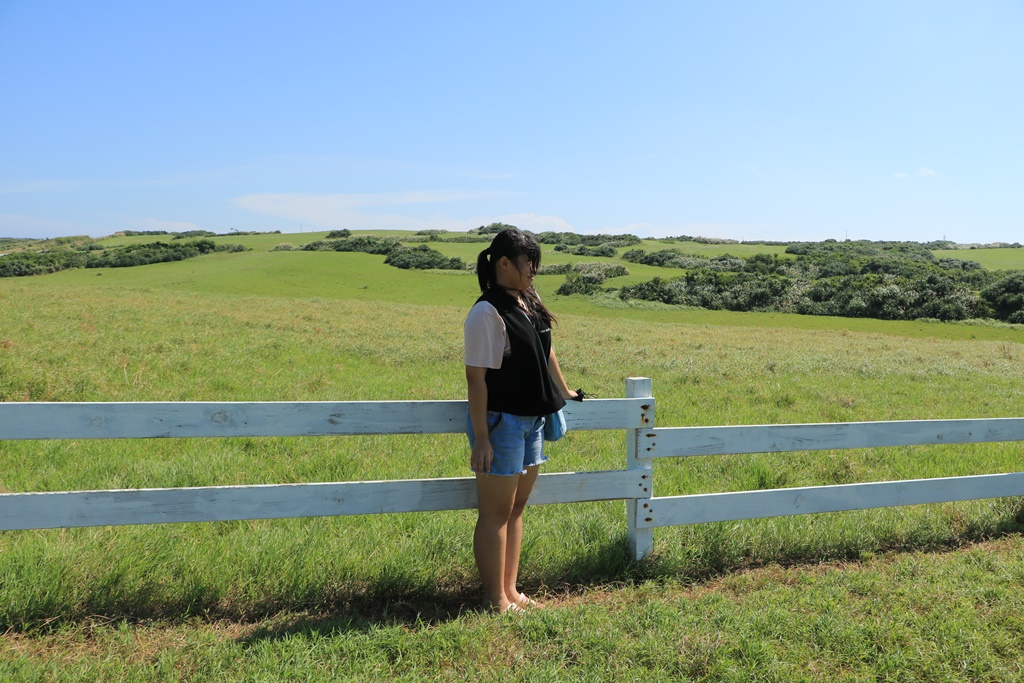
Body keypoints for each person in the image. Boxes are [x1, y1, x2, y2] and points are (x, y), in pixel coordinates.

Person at [463, 226, 577, 614]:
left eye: (536, 263)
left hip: (533, 421)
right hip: (501, 423)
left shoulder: (529, 300)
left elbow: (547, 351)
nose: (534, 271)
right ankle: (495, 598)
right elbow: (476, 378)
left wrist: (565, 391)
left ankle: (511, 592)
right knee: (495, 513)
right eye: (529, 263)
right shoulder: (486, 312)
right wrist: (481, 437)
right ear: (505, 263)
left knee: (516, 508)